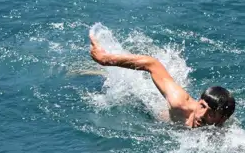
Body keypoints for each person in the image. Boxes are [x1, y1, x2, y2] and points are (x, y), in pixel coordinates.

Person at [88, 32, 235, 128]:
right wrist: (105, 59)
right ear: (198, 102)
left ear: (221, 120)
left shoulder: (221, 133)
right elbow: (152, 64)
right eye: (202, 106)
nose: (202, 115)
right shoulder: (180, 103)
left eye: (211, 114)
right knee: (130, 85)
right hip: (154, 108)